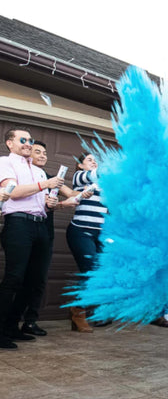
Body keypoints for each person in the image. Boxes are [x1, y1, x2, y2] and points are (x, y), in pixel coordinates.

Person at [0, 127, 63, 349]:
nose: (28, 143)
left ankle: (11, 327)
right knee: (14, 278)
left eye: (30, 140)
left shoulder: (37, 171)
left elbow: (43, 199)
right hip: (18, 224)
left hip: (40, 227)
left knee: (34, 280)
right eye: (23, 139)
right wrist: (45, 184)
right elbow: (13, 192)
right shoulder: (5, 163)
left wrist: (50, 203)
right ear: (10, 143)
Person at [20, 140, 81, 337]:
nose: (43, 155)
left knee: (39, 279)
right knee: (19, 277)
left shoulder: (53, 178)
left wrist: (90, 190)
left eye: (45, 152)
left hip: (45, 232)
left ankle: (30, 321)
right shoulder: (22, 176)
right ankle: (10, 323)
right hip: (24, 229)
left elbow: (71, 194)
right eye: (37, 152)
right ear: (28, 155)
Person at [66, 153, 108, 332]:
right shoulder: (80, 178)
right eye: (89, 160)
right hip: (81, 231)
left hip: (101, 234)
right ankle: (78, 311)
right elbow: (94, 174)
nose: (94, 162)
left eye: (95, 160)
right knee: (90, 270)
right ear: (80, 166)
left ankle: (93, 311)